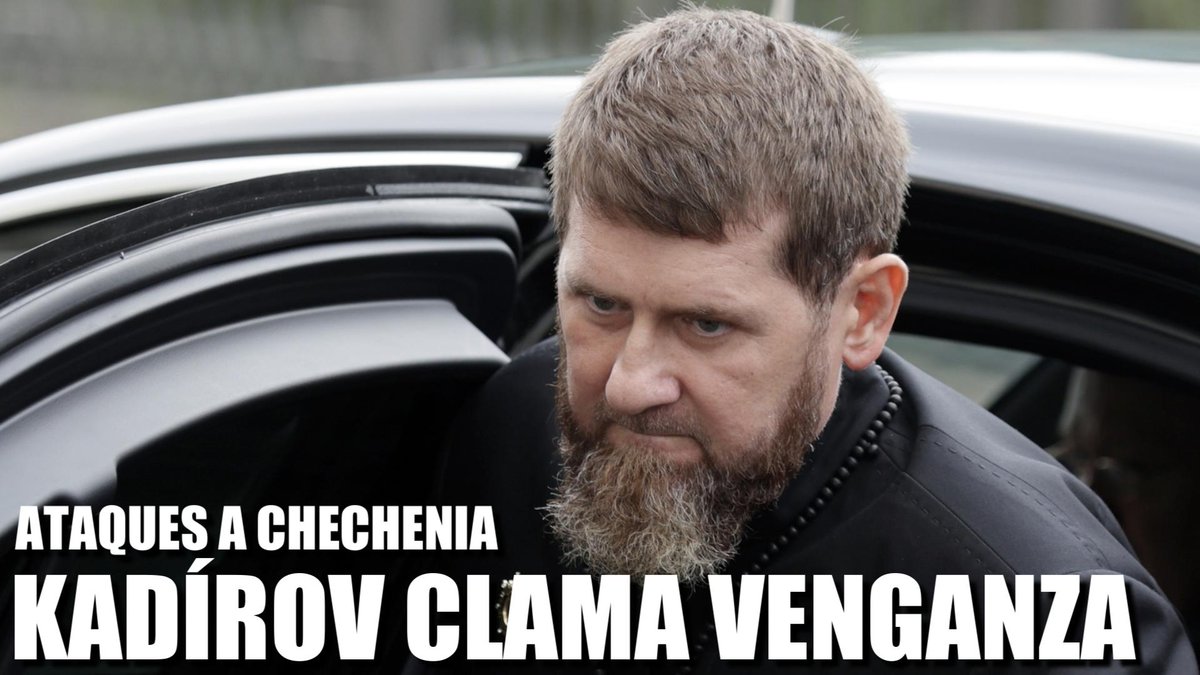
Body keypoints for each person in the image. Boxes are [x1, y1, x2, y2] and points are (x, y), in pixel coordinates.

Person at [425, 7, 1197, 672]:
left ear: (862, 311)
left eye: (707, 324)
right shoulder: (515, 427)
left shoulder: (1039, 611)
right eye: (601, 303)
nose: (629, 383)